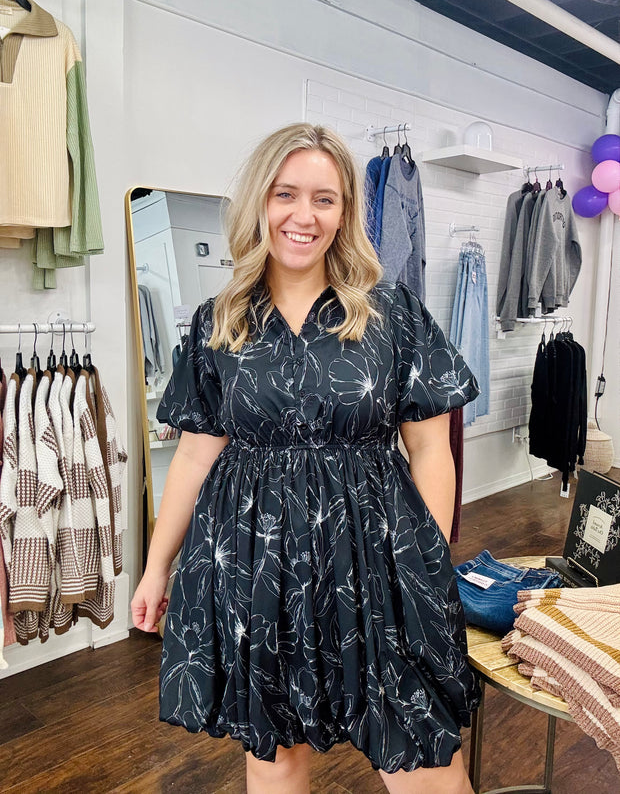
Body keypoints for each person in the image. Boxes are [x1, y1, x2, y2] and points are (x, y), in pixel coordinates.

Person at [131, 123, 481, 794]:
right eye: (286, 193)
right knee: (274, 750)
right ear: (260, 202)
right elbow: (197, 458)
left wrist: (425, 565)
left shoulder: (394, 315)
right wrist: (155, 566)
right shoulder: (218, 320)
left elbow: (431, 447)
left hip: (376, 566)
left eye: (325, 198)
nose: (304, 214)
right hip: (256, 567)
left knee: (424, 752)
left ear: (346, 211)